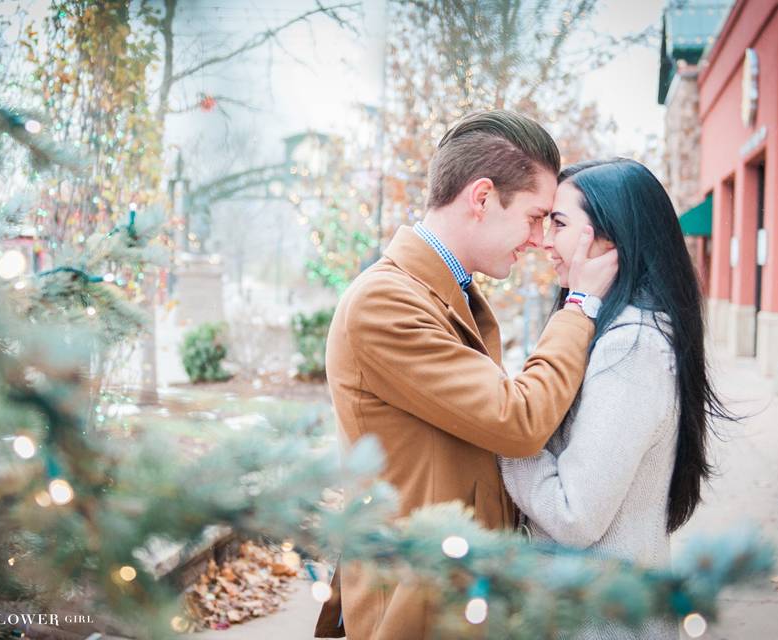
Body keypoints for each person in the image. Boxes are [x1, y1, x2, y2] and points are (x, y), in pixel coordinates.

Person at [314, 111, 619, 639]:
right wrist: (580, 306)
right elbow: (516, 419)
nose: (537, 239)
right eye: (533, 216)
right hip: (416, 604)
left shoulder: (445, 293)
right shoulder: (384, 302)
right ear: (481, 198)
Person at [499, 158, 734, 639]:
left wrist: (500, 430)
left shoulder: (632, 346)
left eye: (559, 224)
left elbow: (574, 514)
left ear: (611, 238)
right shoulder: (609, 329)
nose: (544, 241)